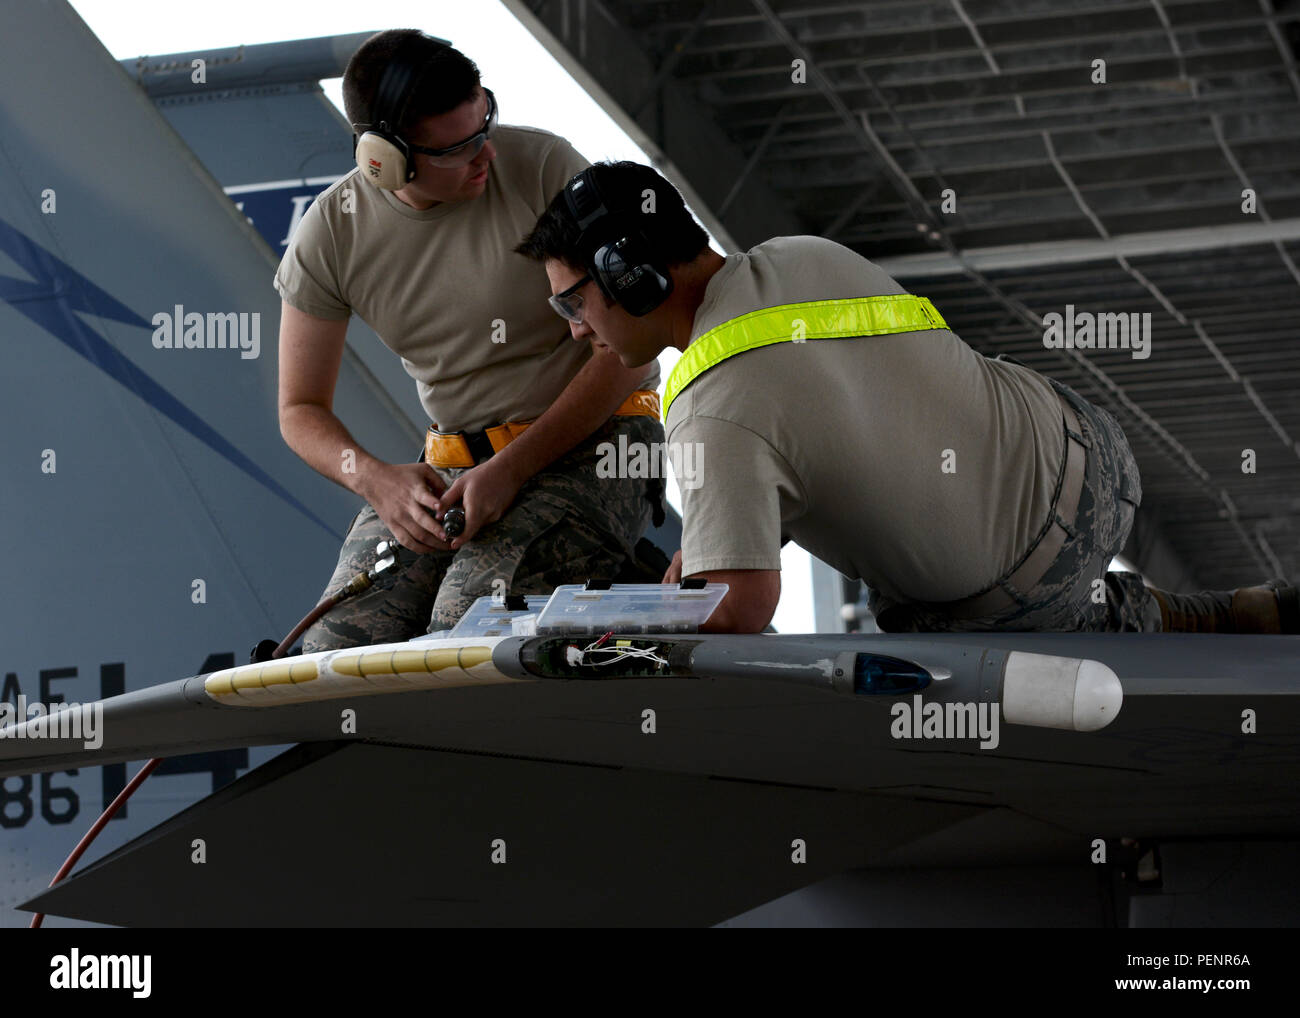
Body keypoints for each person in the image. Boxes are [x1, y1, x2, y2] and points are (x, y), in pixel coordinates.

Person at [516, 160, 1299, 635]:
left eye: (572, 302)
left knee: (911, 618)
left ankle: (1150, 619)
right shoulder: (799, 256)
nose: (576, 330)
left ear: (630, 274)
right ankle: (1221, 611)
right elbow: (843, 423)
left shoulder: (706, 412)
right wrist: (730, 530)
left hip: (1020, 591)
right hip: (1098, 457)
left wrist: (627, 628)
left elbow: (740, 609)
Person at [274, 32, 664, 651]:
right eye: (457, 148)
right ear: (384, 159)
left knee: (467, 634)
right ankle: (622, 582)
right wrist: (376, 480)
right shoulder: (330, 234)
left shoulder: (544, 170)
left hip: (605, 436)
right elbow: (300, 411)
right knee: (334, 653)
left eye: (486, 123)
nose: (484, 152)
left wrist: (512, 469)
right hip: (454, 465)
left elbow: (627, 347)